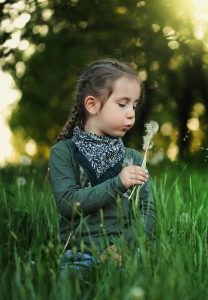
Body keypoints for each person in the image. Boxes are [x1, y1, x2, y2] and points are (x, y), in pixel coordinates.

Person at [48, 59, 156, 276]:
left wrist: (124, 246)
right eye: (122, 104)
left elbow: (147, 211)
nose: (131, 114)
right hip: (79, 253)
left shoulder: (134, 158)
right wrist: (118, 183)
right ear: (92, 105)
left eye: (134, 105)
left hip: (124, 251)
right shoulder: (64, 152)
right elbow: (68, 204)